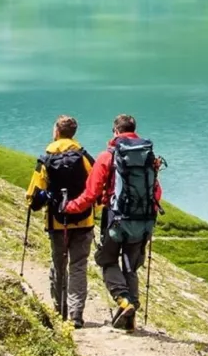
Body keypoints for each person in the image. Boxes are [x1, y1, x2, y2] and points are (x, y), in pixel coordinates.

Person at [62, 114, 163, 331]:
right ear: (134, 130)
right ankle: (130, 318)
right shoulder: (147, 157)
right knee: (130, 265)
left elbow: (91, 194)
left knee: (106, 260)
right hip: (143, 221)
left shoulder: (107, 156)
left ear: (115, 131)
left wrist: (70, 207)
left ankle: (124, 300)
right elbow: (157, 192)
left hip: (115, 219)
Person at [25, 115, 96, 328]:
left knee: (59, 264)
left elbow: (33, 195)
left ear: (56, 131)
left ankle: (59, 310)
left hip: (57, 223)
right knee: (78, 266)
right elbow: (95, 187)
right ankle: (76, 314)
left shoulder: (45, 159)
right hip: (84, 221)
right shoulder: (84, 157)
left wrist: (38, 201)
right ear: (74, 133)